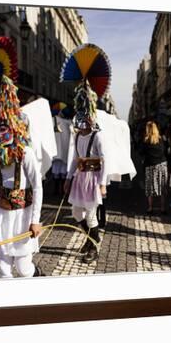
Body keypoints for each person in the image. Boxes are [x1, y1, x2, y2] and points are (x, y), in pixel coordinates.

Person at [0, 37, 43, 279]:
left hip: (22, 215)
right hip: (2, 215)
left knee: (23, 268)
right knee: (3, 268)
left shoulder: (26, 153)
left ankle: (36, 277)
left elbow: (37, 186)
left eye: (6, 127)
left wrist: (36, 221)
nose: (2, 132)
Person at [63, 80, 107, 264]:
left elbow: (106, 161)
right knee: (76, 213)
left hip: (92, 180)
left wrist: (103, 183)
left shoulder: (98, 136)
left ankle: (93, 247)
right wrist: (67, 178)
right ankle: (91, 240)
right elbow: (74, 159)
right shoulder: (78, 135)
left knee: (90, 215)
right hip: (80, 179)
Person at [140, 121, 168, 214]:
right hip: (162, 165)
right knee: (162, 187)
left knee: (150, 187)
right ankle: (162, 208)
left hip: (150, 165)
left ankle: (150, 208)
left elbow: (141, 152)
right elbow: (164, 151)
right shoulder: (161, 139)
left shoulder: (146, 140)